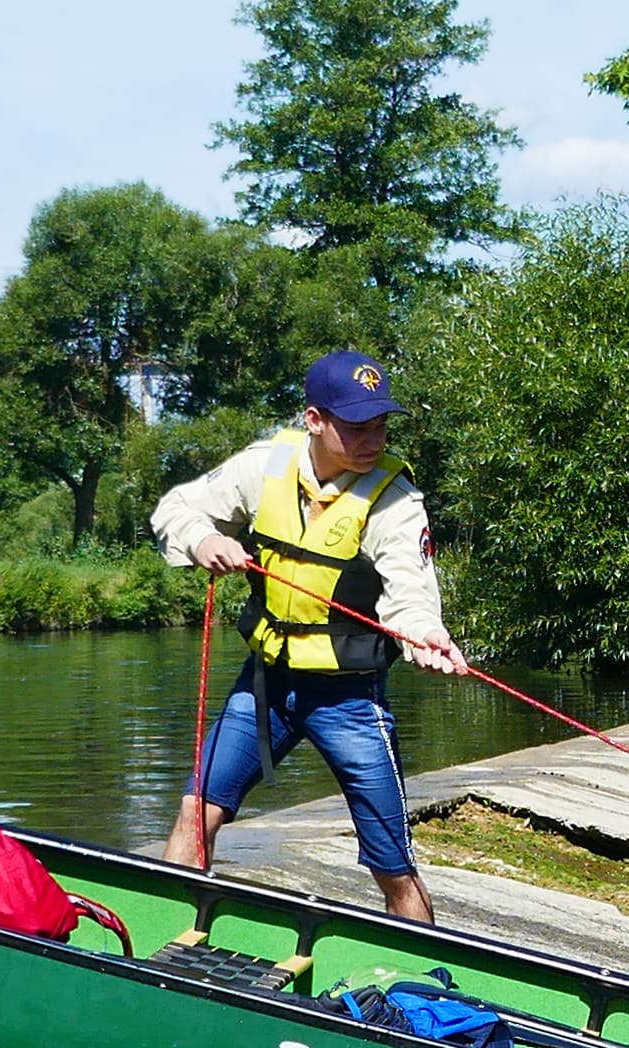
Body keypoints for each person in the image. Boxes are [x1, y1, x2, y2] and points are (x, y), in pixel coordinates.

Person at [154, 351, 468, 921]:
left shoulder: (396, 500)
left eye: (380, 425)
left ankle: (427, 967)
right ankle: (167, 938)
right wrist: (204, 540)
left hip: (350, 699)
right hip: (266, 685)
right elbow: (177, 508)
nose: (372, 439)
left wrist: (425, 636)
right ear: (315, 420)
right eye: (357, 426)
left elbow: (411, 593)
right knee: (196, 812)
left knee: (393, 865)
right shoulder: (264, 465)